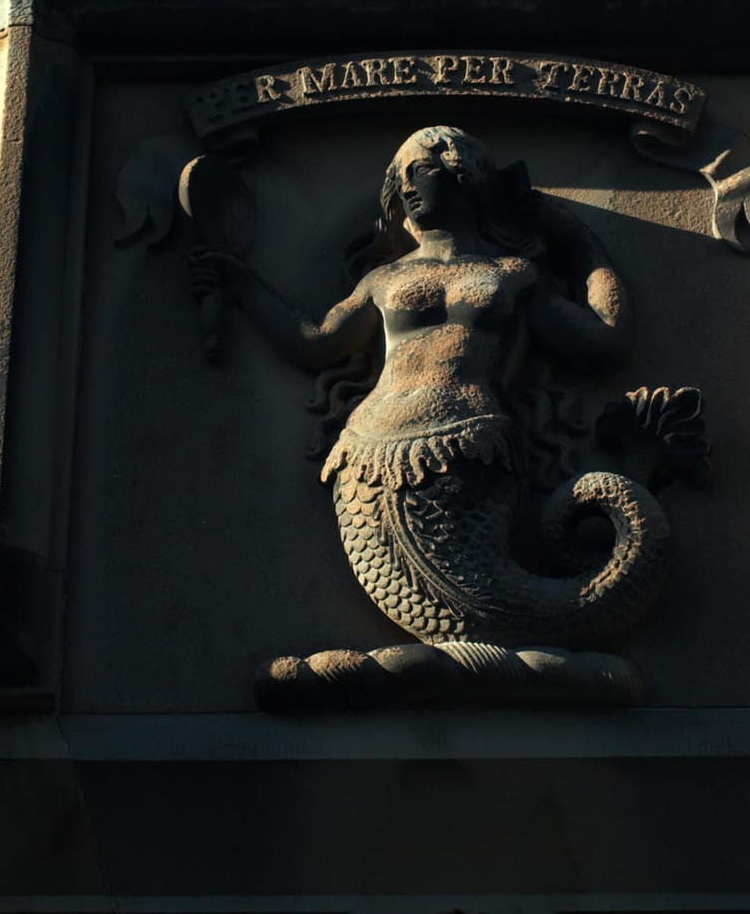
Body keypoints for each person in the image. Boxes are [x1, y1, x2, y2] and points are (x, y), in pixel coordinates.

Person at [192, 126, 667, 648]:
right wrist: (242, 285)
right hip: (369, 459)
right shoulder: (383, 278)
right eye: (399, 181)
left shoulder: (515, 274)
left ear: (463, 172)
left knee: (486, 604)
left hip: (469, 447)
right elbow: (316, 341)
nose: (407, 189)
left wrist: (580, 243)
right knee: (425, 602)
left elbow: (605, 340)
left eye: (419, 171)